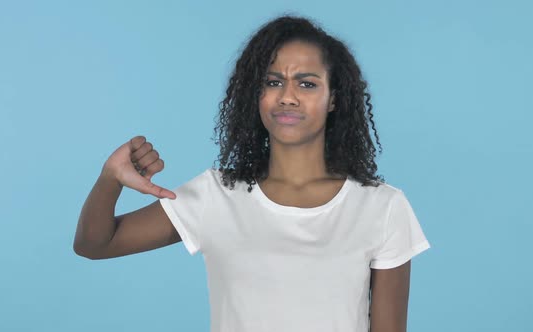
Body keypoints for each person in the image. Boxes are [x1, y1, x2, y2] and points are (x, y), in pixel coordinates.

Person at [73, 15, 431, 332]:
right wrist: (110, 179)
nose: (287, 97)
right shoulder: (216, 195)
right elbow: (95, 244)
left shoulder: (381, 206)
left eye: (307, 83)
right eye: (273, 82)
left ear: (334, 98)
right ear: (255, 94)